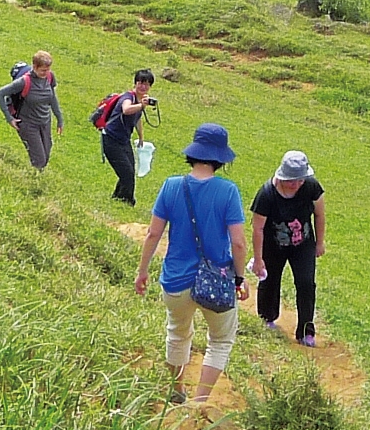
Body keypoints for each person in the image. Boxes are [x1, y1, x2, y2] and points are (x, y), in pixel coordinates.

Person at [134, 122, 248, 407]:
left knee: (177, 332)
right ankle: (199, 402)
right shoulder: (228, 191)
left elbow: (153, 233)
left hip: (175, 279)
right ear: (220, 158)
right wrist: (239, 277)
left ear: (193, 153)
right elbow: (238, 243)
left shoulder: (171, 186)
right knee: (220, 340)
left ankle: (177, 391)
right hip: (217, 280)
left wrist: (143, 271)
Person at [250, 150, 328, 347]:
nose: (297, 184)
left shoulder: (311, 187)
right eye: (292, 180)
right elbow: (258, 228)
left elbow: (319, 214)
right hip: (273, 244)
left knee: (306, 283)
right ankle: (267, 318)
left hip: (303, 244)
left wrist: (320, 242)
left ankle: (306, 331)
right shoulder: (267, 194)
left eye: (300, 180)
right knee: (270, 279)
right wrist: (258, 259)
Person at [98, 68, 156, 205]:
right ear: (135, 83)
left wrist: (141, 137)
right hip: (111, 138)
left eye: (147, 84)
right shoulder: (128, 97)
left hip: (124, 140)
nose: (143, 86)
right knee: (127, 173)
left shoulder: (141, 100)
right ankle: (127, 201)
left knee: (129, 170)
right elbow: (126, 110)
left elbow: (137, 119)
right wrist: (141, 105)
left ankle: (118, 198)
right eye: (141, 83)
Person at [2, 50, 63, 168]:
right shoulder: (24, 82)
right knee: (39, 160)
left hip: (45, 122)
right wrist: (9, 118)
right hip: (28, 124)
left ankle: (35, 177)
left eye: (48, 69)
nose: (46, 73)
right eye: (43, 70)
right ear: (34, 66)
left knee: (46, 155)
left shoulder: (49, 77)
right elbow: (0, 94)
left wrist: (59, 118)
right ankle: (33, 182)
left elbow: (52, 98)